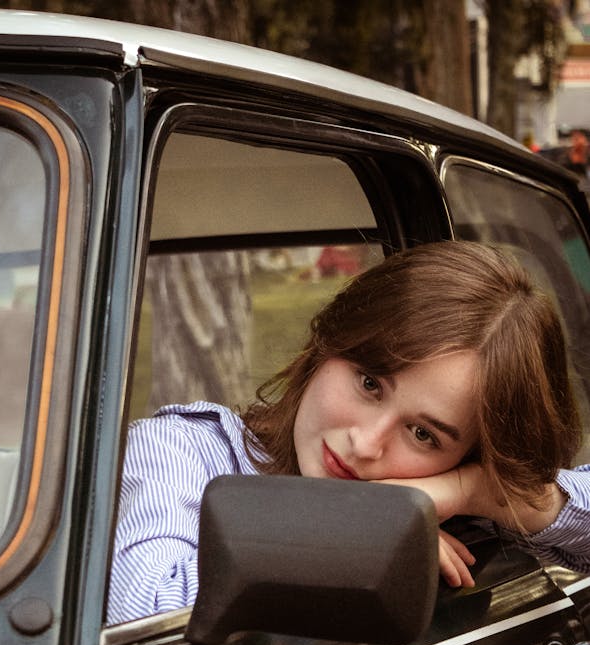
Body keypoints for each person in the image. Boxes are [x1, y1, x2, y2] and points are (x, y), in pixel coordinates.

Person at [107, 240, 589, 625]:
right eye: (370, 383)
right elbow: (145, 615)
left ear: (470, 455)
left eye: (423, 434)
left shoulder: (458, 504)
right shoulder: (182, 450)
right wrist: (359, 530)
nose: (366, 443)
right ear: (329, 342)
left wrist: (477, 490)